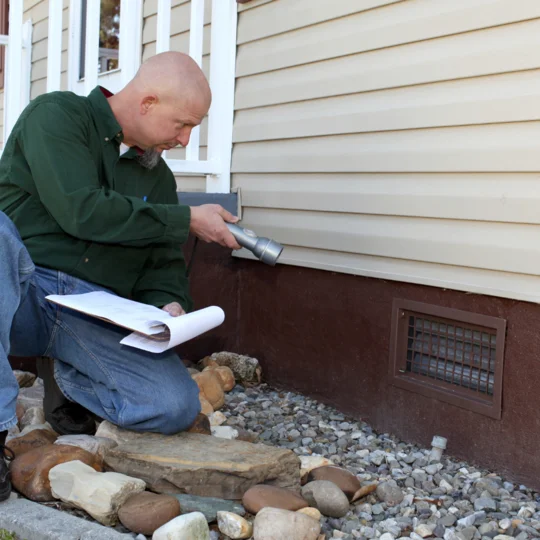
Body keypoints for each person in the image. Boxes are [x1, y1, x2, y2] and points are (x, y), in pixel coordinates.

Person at [0, 51, 241, 501]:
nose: (186, 139)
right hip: (19, 294)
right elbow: (80, 210)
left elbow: (163, 264)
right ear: (147, 102)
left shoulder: (160, 180)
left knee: (173, 406)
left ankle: (71, 380)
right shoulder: (57, 116)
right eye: (182, 124)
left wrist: (168, 304)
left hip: (89, 312)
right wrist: (184, 219)